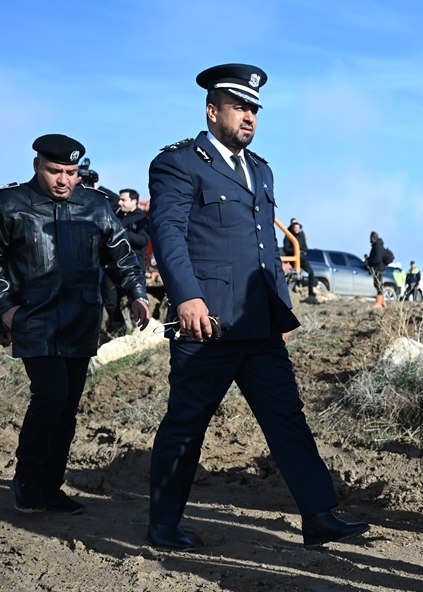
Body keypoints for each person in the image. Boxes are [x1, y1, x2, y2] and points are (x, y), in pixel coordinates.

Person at [146, 63, 368, 551]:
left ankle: (319, 515)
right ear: (212, 111)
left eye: (254, 110)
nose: (248, 117)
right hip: (209, 325)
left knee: (287, 418)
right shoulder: (179, 164)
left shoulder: (261, 169)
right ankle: (162, 522)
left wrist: (281, 310)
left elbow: (265, 248)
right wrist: (187, 297)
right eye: (239, 107)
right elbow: (168, 235)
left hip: (260, 324)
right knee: (186, 423)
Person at [0, 134, 150, 514]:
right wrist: (4, 308)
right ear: (37, 165)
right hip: (33, 317)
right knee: (50, 395)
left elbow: (120, 255)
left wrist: (136, 294)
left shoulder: (96, 206)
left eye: (71, 172)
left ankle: (51, 486)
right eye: (55, 171)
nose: (64, 180)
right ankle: (27, 480)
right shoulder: (8, 203)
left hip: (81, 319)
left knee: (67, 404)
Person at [103, 188, 151, 335]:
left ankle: (139, 333)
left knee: (136, 300)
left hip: (133, 266)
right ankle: (120, 331)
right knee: (110, 301)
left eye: (123, 200)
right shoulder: (117, 215)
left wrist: (122, 233)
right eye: (119, 199)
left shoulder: (142, 219)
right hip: (113, 266)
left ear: (134, 201)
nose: (120, 203)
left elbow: (143, 240)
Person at [282, 220, 316, 298]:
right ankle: (290, 292)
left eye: (298, 227)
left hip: (301, 258)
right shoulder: (288, 236)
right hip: (292, 259)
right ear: (292, 228)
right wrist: (295, 250)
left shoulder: (301, 236)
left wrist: (301, 251)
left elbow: (305, 247)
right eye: (295, 227)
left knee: (311, 272)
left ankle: (311, 292)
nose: (297, 229)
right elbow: (286, 248)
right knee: (291, 275)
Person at [366, 232, 388, 308]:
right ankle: (382, 302)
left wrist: (369, 261)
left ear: (373, 238)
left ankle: (379, 303)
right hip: (380, 268)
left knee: (378, 285)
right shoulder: (379, 245)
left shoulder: (377, 246)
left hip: (378, 269)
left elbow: (377, 259)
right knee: (378, 285)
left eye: (370, 238)